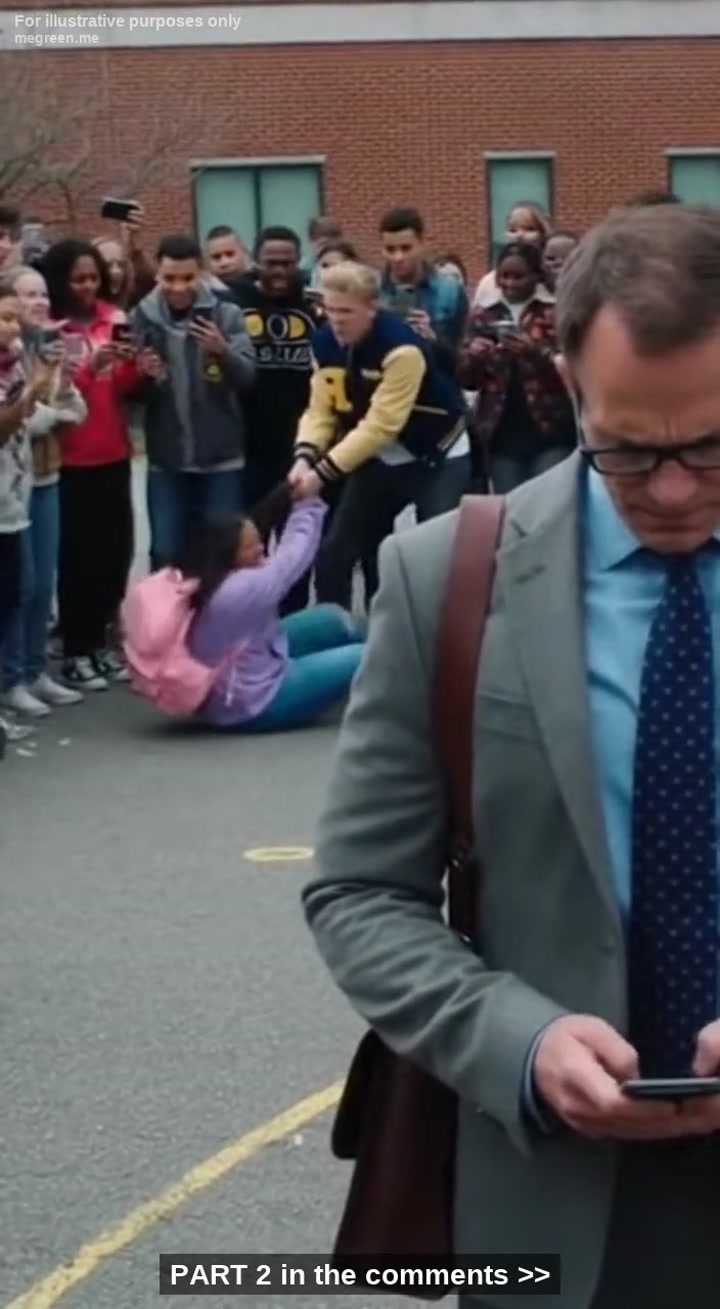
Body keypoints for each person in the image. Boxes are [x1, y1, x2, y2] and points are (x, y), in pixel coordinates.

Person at [303, 202, 720, 1309]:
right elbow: (359, 891)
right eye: (628, 450)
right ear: (571, 388)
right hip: (553, 1195)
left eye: (711, 445)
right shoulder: (447, 578)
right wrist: (518, 1043)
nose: (674, 490)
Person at [290, 261, 470, 610]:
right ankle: (338, 632)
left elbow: (382, 425)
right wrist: (304, 457)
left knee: (433, 559)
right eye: (330, 309)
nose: (336, 319)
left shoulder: (402, 347)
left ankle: (432, 635)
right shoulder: (324, 342)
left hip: (435, 453)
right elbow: (322, 410)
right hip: (380, 456)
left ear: (372, 308)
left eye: (346, 311)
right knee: (334, 556)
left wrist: (321, 474)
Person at [39, 239, 141, 691]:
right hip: (70, 458)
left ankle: (101, 642)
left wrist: (135, 367)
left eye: (93, 278)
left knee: (114, 553)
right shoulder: (51, 328)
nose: (87, 286)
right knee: (77, 557)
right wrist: (88, 368)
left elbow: (123, 388)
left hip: (113, 451)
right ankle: (76, 648)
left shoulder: (114, 318)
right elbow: (52, 393)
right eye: (77, 279)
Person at [184, 487, 365, 732]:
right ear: (229, 555)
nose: (261, 549)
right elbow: (295, 554)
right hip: (254, 702)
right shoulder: (240, 589)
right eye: (252, 547)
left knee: (331, 619)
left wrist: (288, 492)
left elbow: (262, 519)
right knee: (366, 655)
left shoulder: (203, 577)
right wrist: (308, 504)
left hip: (235, 674)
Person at [130, 234, 256, 570]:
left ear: (201, 274)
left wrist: (223, 351)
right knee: (165, 551)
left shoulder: (226, 314)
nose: (178, 287)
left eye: (188, 278)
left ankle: (220, 607)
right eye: (169, 278)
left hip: (221, 458)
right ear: (157, 275)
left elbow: (248, 378)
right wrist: (142, 375)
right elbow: (131, 397)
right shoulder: (141, 317)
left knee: (223, 554)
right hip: (166, 460)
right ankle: (168, 607)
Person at [226, 226, 325, 613]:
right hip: (247, 447)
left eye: (287, 263)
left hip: (299, 449)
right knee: (247, 547)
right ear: (257, 262)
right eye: (271, 263)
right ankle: (248, 623)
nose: (280, 271)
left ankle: (291, 624)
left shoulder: (316, 309)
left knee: (295, 548)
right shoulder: (234, 302)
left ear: (299, 262)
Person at [1, 266, 86, 716]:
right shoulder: (12, 357)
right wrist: (46, 408)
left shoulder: (44, 348)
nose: (37, 304)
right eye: (26, 296)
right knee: (19, 586)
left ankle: (34, 670)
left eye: (42, 295)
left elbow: (75, 410)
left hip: (44, 474)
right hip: (12, 486)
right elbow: (29, 419)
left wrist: (63, 384)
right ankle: (11, 676)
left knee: (39, 584)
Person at [458, 241, 575, 492]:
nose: (509, 283)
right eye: (504, 276)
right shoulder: (484, 315)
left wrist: (535, 352)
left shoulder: (554, 313)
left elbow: (574, 370)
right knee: (511, 505)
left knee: (547, 502)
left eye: (518, 276)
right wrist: (475, 356)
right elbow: (468, 380)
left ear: (536, 275)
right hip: (501, 431)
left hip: (550, 428)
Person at [0, 275, 55, 744]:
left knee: (16, 594)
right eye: (4, 318)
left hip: (14, 499)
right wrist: (34, 391)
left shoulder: (15, 361)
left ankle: (16, 681)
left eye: (15, 320)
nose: (13, 328)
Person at [378, 206, 468, 371]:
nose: (398, 257)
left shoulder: (450, 290)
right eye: (390, 250)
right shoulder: (371, 292)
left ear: (421, 244)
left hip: (437, 381)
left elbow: (462, 361)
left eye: (406, 248)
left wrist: (432, 337)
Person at [473, 202, 553, 308]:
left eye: (529, 229)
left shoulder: (554, 280)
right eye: (513, 230)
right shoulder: (489, 283)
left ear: (543, 234)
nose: (519, 235)